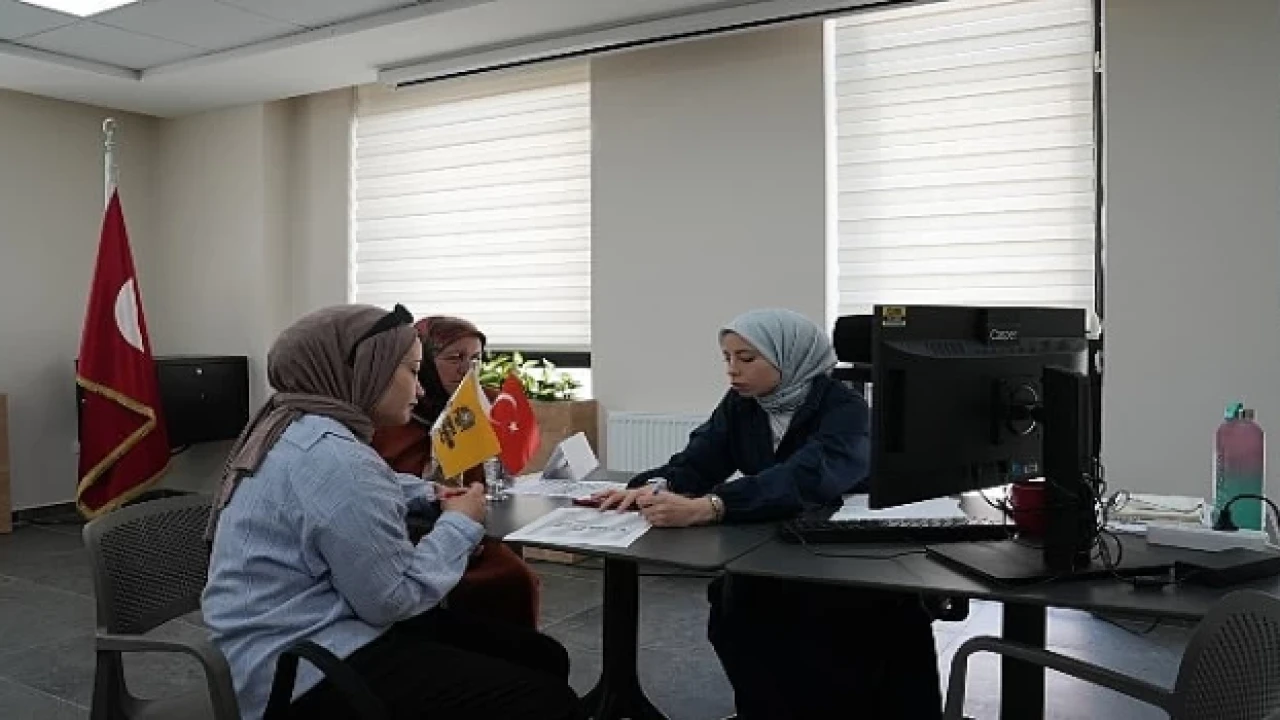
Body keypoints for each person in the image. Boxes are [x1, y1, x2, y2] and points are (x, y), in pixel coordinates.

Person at [202, 304, 582, 720]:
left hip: (299, 630)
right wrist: (459, 524)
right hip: (302, 668)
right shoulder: (337, 459)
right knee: (545, 698)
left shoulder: (296, 426)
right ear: (367, 371)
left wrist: (429, 492)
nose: (419, 390)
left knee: (539, 654)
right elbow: (393, 600)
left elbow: (363, 486)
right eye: (412, 372)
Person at [592, 308, 942, 720]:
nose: (732, 370)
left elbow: (807, 476)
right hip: (774, 540)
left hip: (846, 552)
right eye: (727, 358)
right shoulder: (742, 403)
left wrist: (713, 506)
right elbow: (702, 457)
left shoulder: (846, 407)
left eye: (747, 358)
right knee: (734, 612)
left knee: (820, 630)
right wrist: (654, 485)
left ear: (790, 358)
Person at [371, 316, 542, 629]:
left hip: (474, 523)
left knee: (517, 579)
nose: (467, 369)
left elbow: (499, 469)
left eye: (475, 358)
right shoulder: (392, 411)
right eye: (455, 358)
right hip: (407, 534)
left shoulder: (485, 402)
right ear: (423, 362)